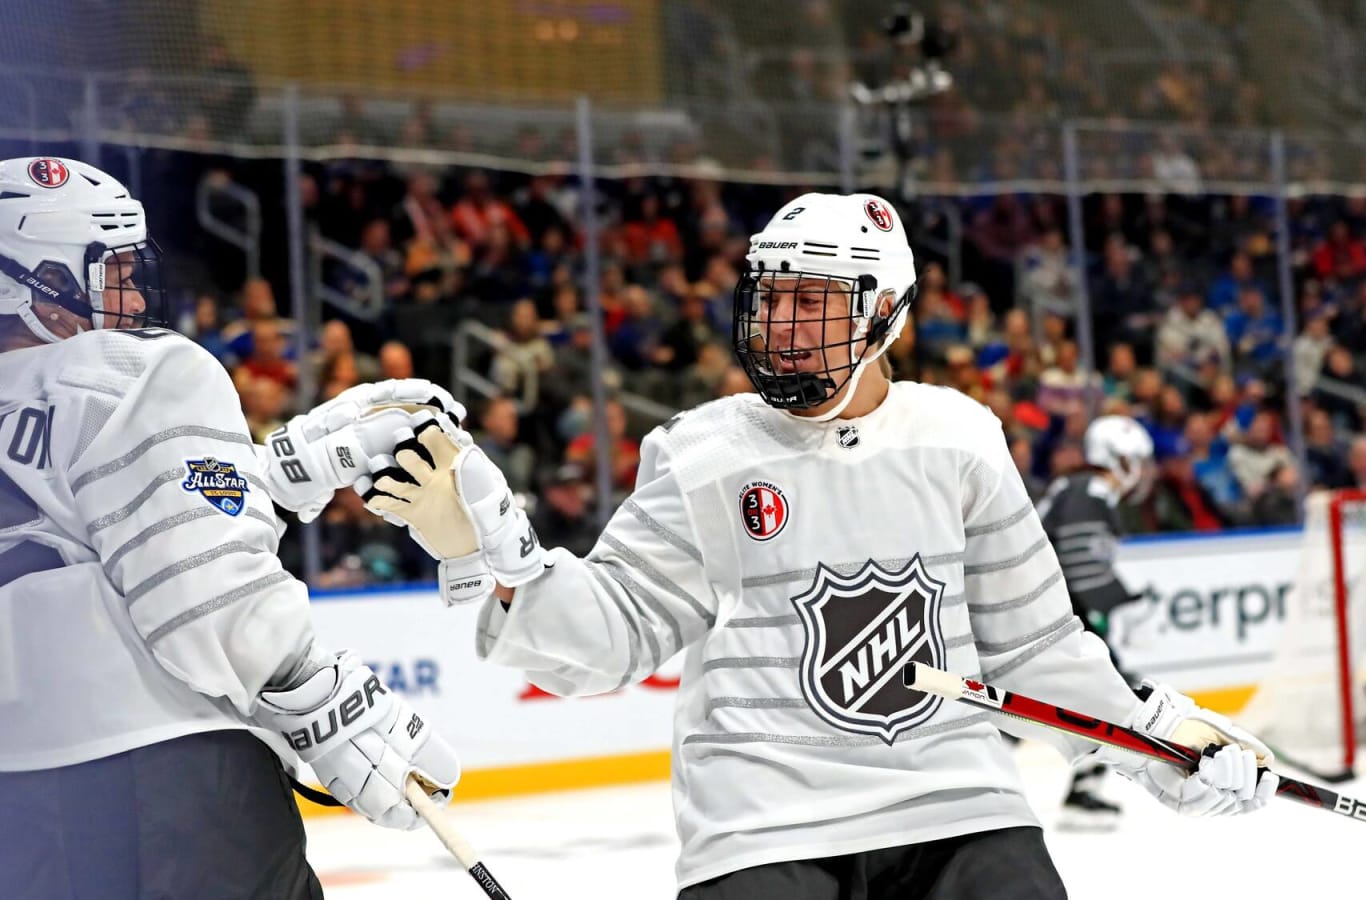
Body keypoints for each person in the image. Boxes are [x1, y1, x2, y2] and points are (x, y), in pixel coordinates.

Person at [361, 192, 1276, 899]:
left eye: (816, 305)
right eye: (773, 302)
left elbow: (1033, 648)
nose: (785, 331)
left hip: (960, 807)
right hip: (764, 827)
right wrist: (491, 558)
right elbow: (611, 640)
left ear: (886, 316)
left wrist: (1156, 739)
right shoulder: (704, 452)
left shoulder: (958, 436)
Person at [0, 157, 460, 898]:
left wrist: (276, 467)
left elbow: (91, 519)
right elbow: (202, 585)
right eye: (105, 268)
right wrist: (322, 697)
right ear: (27, 281)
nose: (128, 289)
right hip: (167, 780)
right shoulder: (132, 370)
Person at [1033, 415, 1153, 830]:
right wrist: (1125, 602)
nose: (1140, 470)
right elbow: (1081, 566)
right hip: (1048, 616)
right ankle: (1082, 792)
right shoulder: (1092, 490)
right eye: (1136, 459)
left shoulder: (1077, 487)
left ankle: (1083, 789)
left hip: (1043, 611)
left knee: (1105, 696)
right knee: (1113, 696)